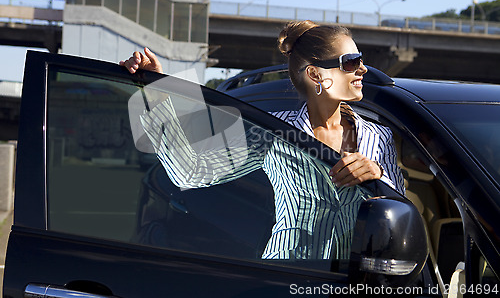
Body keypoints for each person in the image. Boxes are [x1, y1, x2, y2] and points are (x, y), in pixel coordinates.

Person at [121, 20, 405, 260]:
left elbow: (402, 212)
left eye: (361, 59)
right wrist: (157, 91)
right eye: (352, 62)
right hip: (286, 276)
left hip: (355, 280)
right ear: (315, 74)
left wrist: (377, 176)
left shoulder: (379, 137)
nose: (363, 69)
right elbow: (192, 172)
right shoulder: (274, 131)